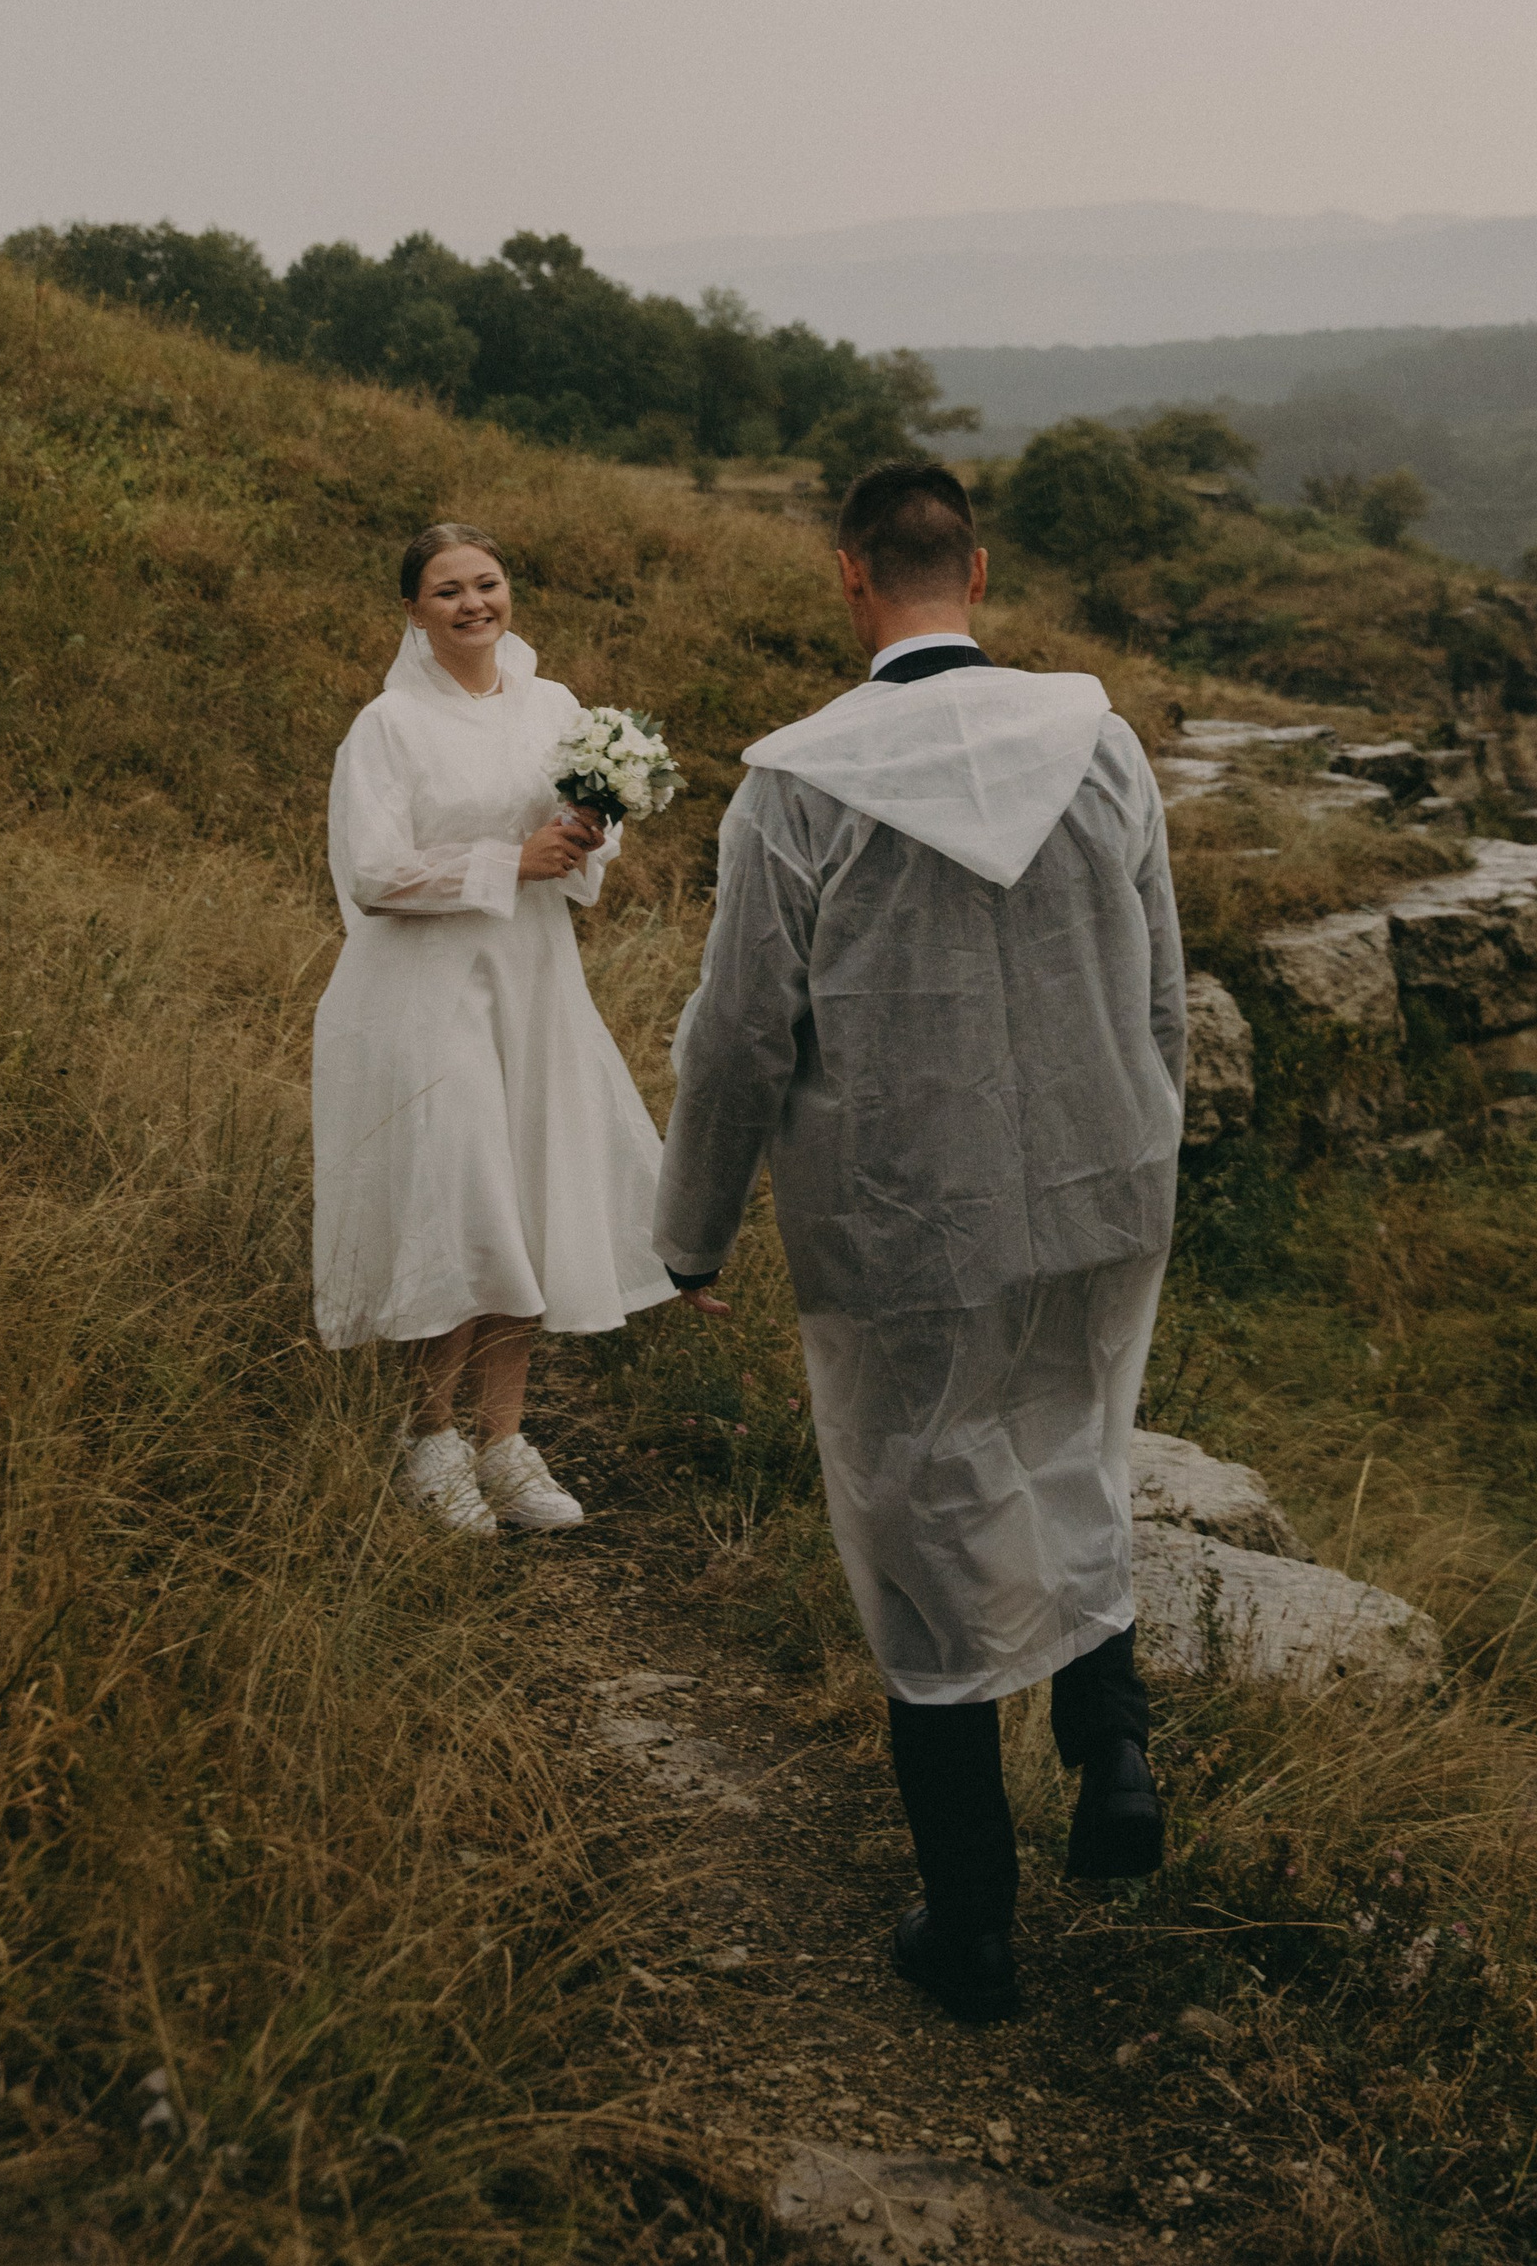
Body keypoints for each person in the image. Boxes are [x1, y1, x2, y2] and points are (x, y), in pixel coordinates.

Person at [657, 461, 1187, 2022]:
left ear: (848, 576)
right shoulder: (1101, 739)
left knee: (922, 1533)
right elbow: (1160, 978)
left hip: (908, 1215)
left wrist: (691, 1231)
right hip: (1101, 1178)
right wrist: (1151, 1150)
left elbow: (740, 1037)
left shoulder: (800, 785)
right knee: (1079, 1445)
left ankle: (975, 1927)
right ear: (978, 565)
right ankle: (1116, 1750)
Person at [312, 521, 716, 1537]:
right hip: (425, 993)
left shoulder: (555, 706)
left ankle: (505, 1438)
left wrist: (589, 831)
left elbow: (585, 837)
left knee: (531, 1191)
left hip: (532, 980)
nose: (471, 605)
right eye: (445, 591)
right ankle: (431, 1439)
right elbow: (372, 870)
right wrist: (505, 865)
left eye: (484, 584)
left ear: (508, 594)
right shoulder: (390, 726)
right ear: (413, 611)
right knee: (461, 1197)